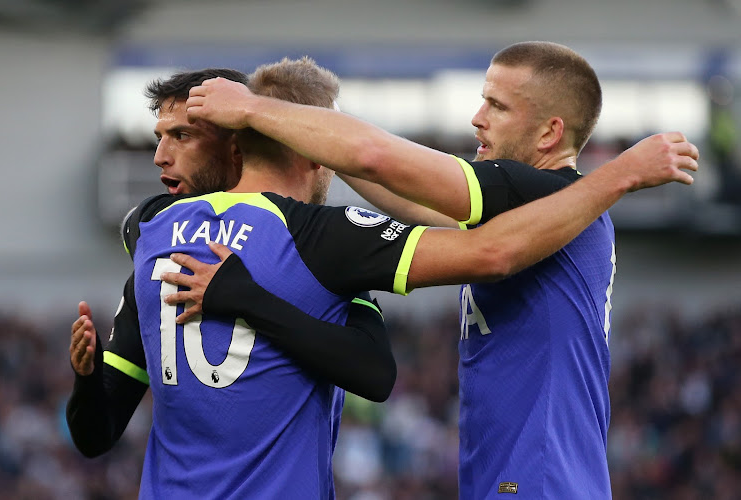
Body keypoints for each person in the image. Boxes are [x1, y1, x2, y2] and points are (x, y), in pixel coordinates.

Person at [174, 43, 700, 499]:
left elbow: (377, 156)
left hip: (540, 477)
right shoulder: (537, 212)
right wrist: (312, 141)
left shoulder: (545, 191)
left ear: (549, 133)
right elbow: (393, 189)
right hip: (516, 474)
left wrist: (252, 109)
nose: (477, 117)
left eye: (496, 104)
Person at [67, 60, 400, 500]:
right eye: (160, 137)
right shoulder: (159, 253)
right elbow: (95, 435)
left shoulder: (310, 250)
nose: (160, 156)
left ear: (238, 144)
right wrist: (86, 378)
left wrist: (248, 300)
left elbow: (375, 375)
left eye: (182, 136)